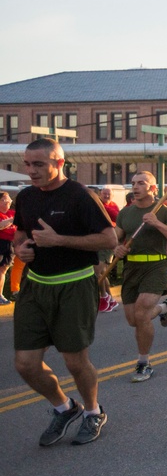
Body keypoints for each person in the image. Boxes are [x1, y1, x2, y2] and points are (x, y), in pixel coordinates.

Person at [12, 138, 117, 446]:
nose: (31, 171)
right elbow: (20, 233)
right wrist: (22, 249)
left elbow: (109, 239)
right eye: (27, 164)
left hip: (74, 284)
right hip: (36, 285)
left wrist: (59, 240)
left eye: (39, 165)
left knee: (74, 361)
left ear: (59, 163)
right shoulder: (26, 197)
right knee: (25, 364)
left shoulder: (79, 196)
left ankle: (93, 411)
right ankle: (64, 407)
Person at [113, 172, 167, 382]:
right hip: (131, 267)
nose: (135, 187)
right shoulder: (125, 213)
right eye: (133, 183)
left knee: (142, 311)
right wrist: (116, 248)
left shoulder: (164, 212)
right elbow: (113, 238)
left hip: (155, 265)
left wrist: (157, 224)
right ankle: (165, 307)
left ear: (153, 188)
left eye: (141, 183)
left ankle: (143, 363)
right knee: (133, 319)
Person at [96, 186, 120, 312]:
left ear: (112, 196)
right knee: (102, 273)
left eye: (108, 194)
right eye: (104, 194)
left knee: (95, 273)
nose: (106, 196)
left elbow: (117, 221)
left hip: (108, 243)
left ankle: (104, 298)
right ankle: (109, 299)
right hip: (98, 242)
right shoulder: (100, 205)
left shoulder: (111, 207)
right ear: (100, 194)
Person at [0, 191, 15, 304]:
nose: (10, 201)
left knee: (3, 270)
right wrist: (11, 220)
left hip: (10, 244)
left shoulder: (12, 213)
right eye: (7, 199)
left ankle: (0, 294)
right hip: (1, 243)